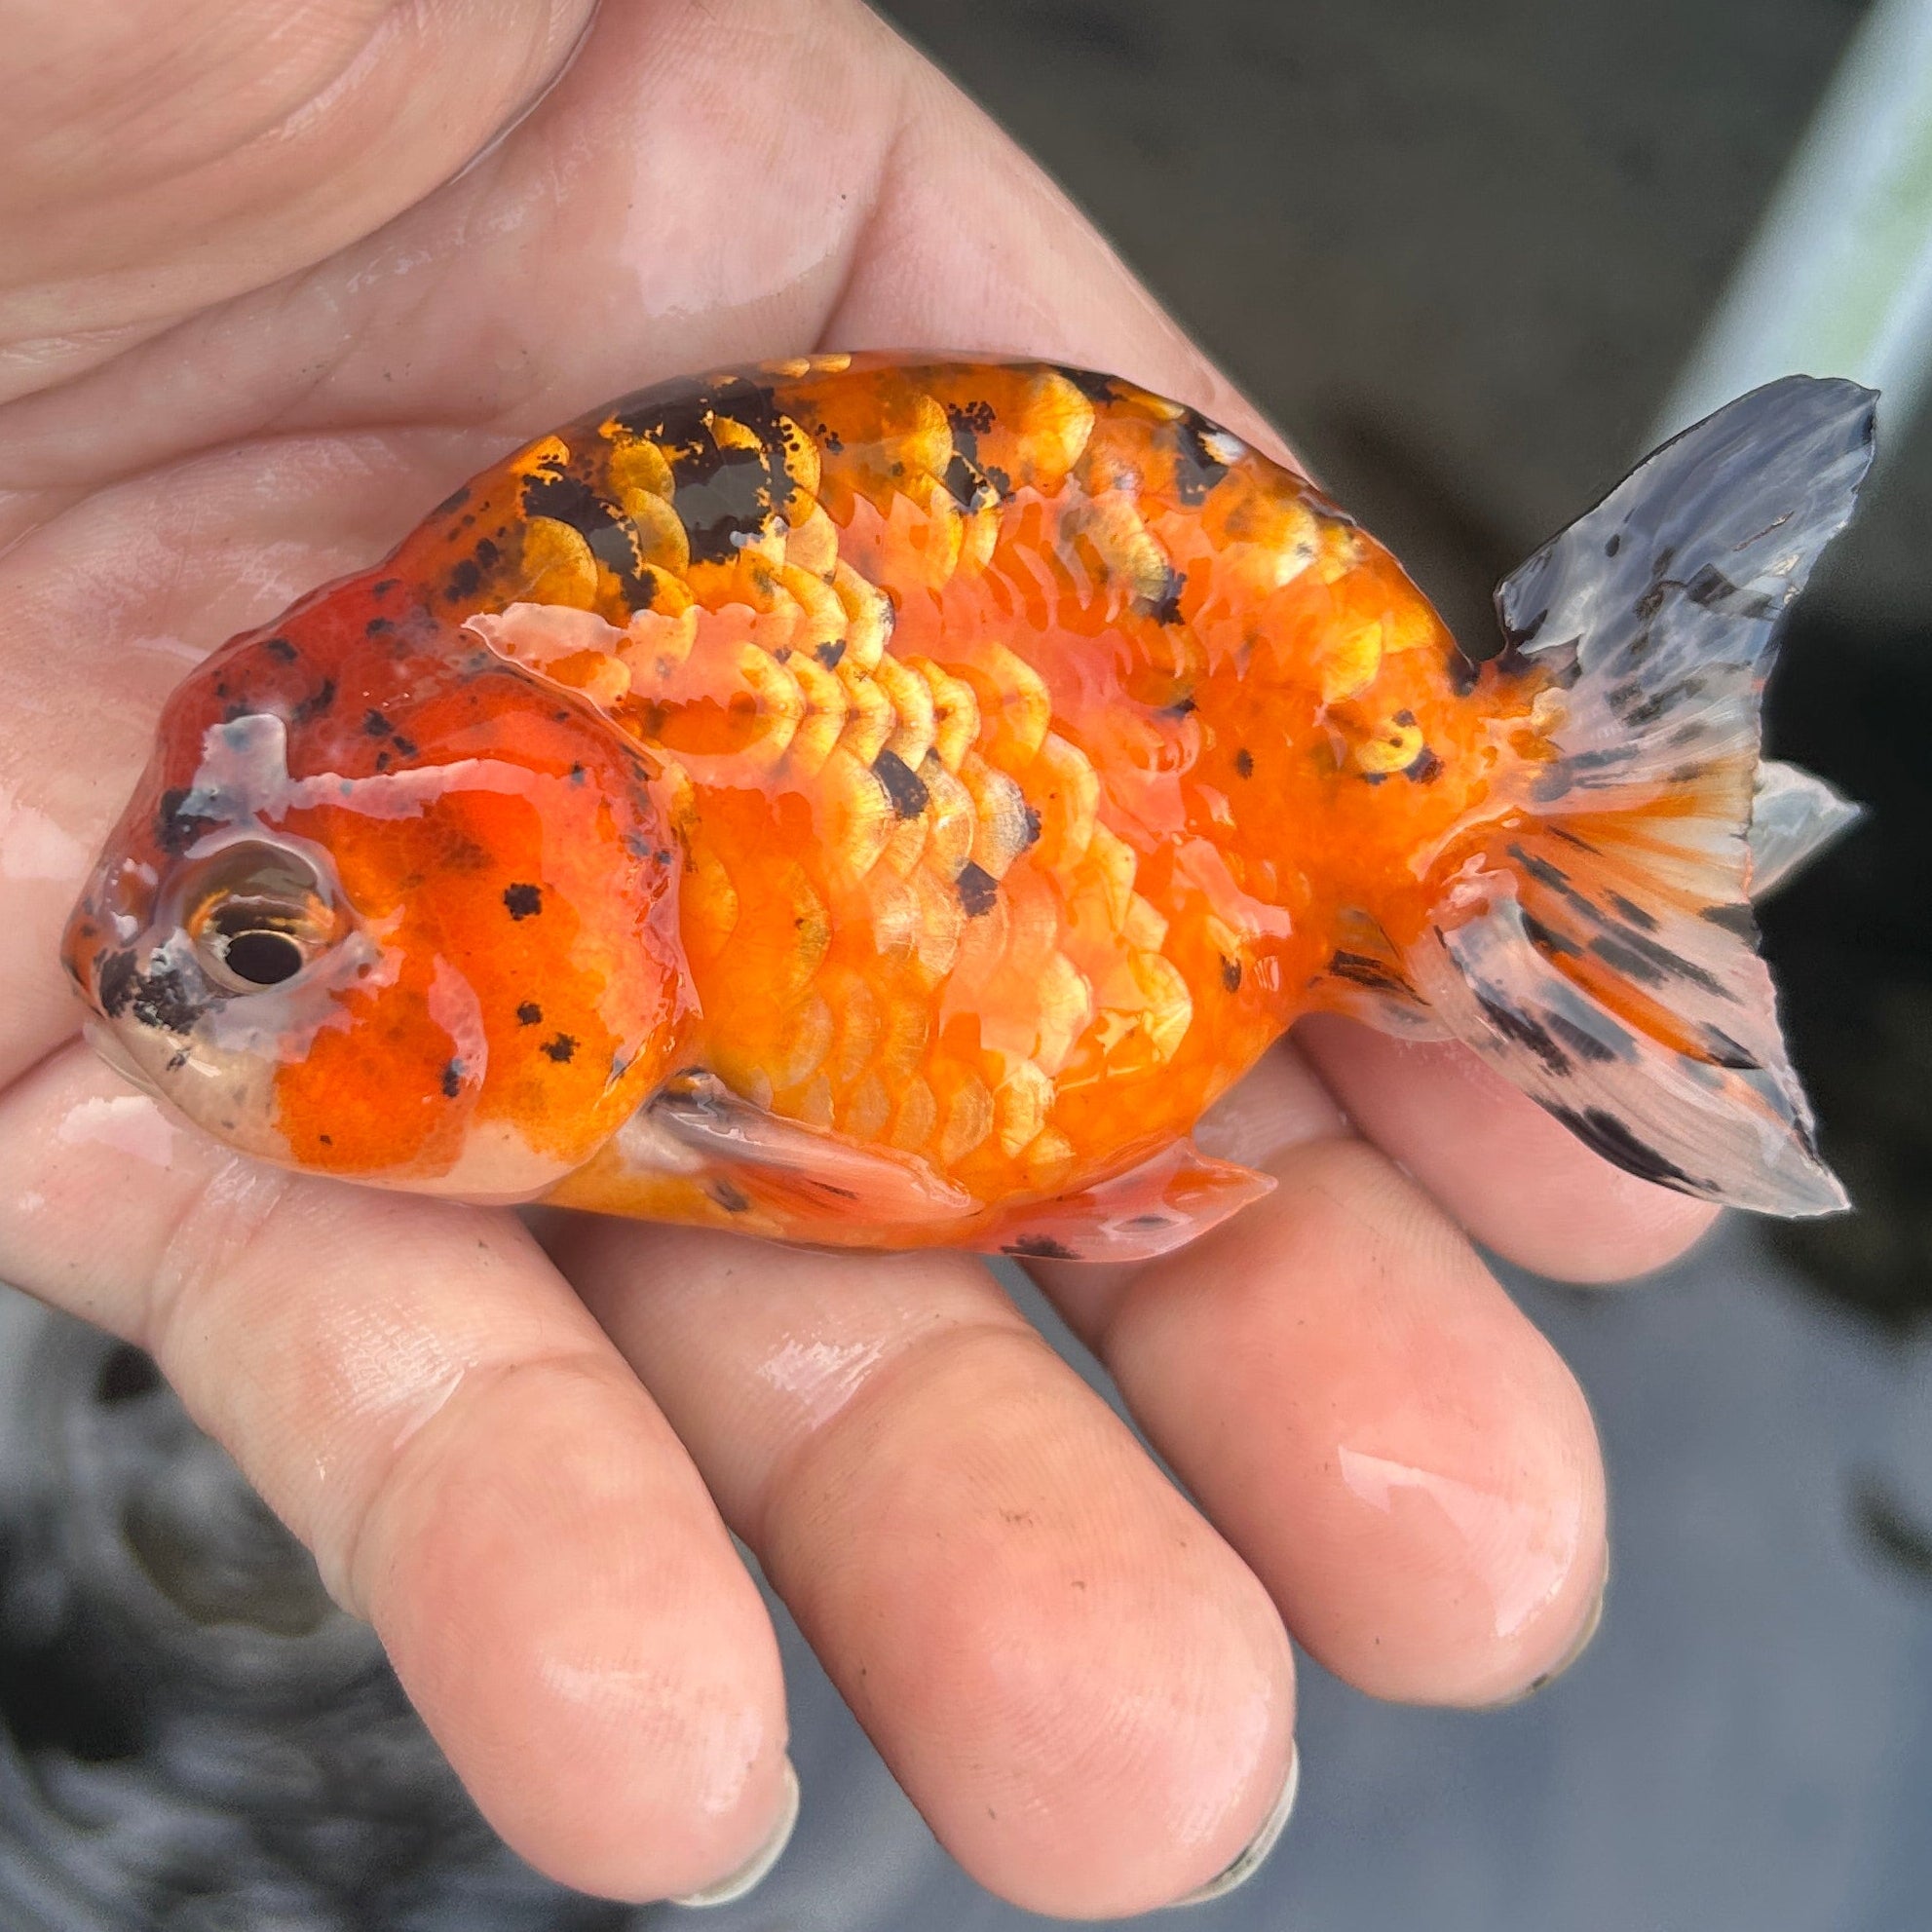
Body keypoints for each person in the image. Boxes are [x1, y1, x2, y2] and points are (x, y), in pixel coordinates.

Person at [0, 1, 1716, 1913]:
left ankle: (1585, 799)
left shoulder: (577, 702)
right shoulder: (493, 638)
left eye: (261, 945)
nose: (168, 999)